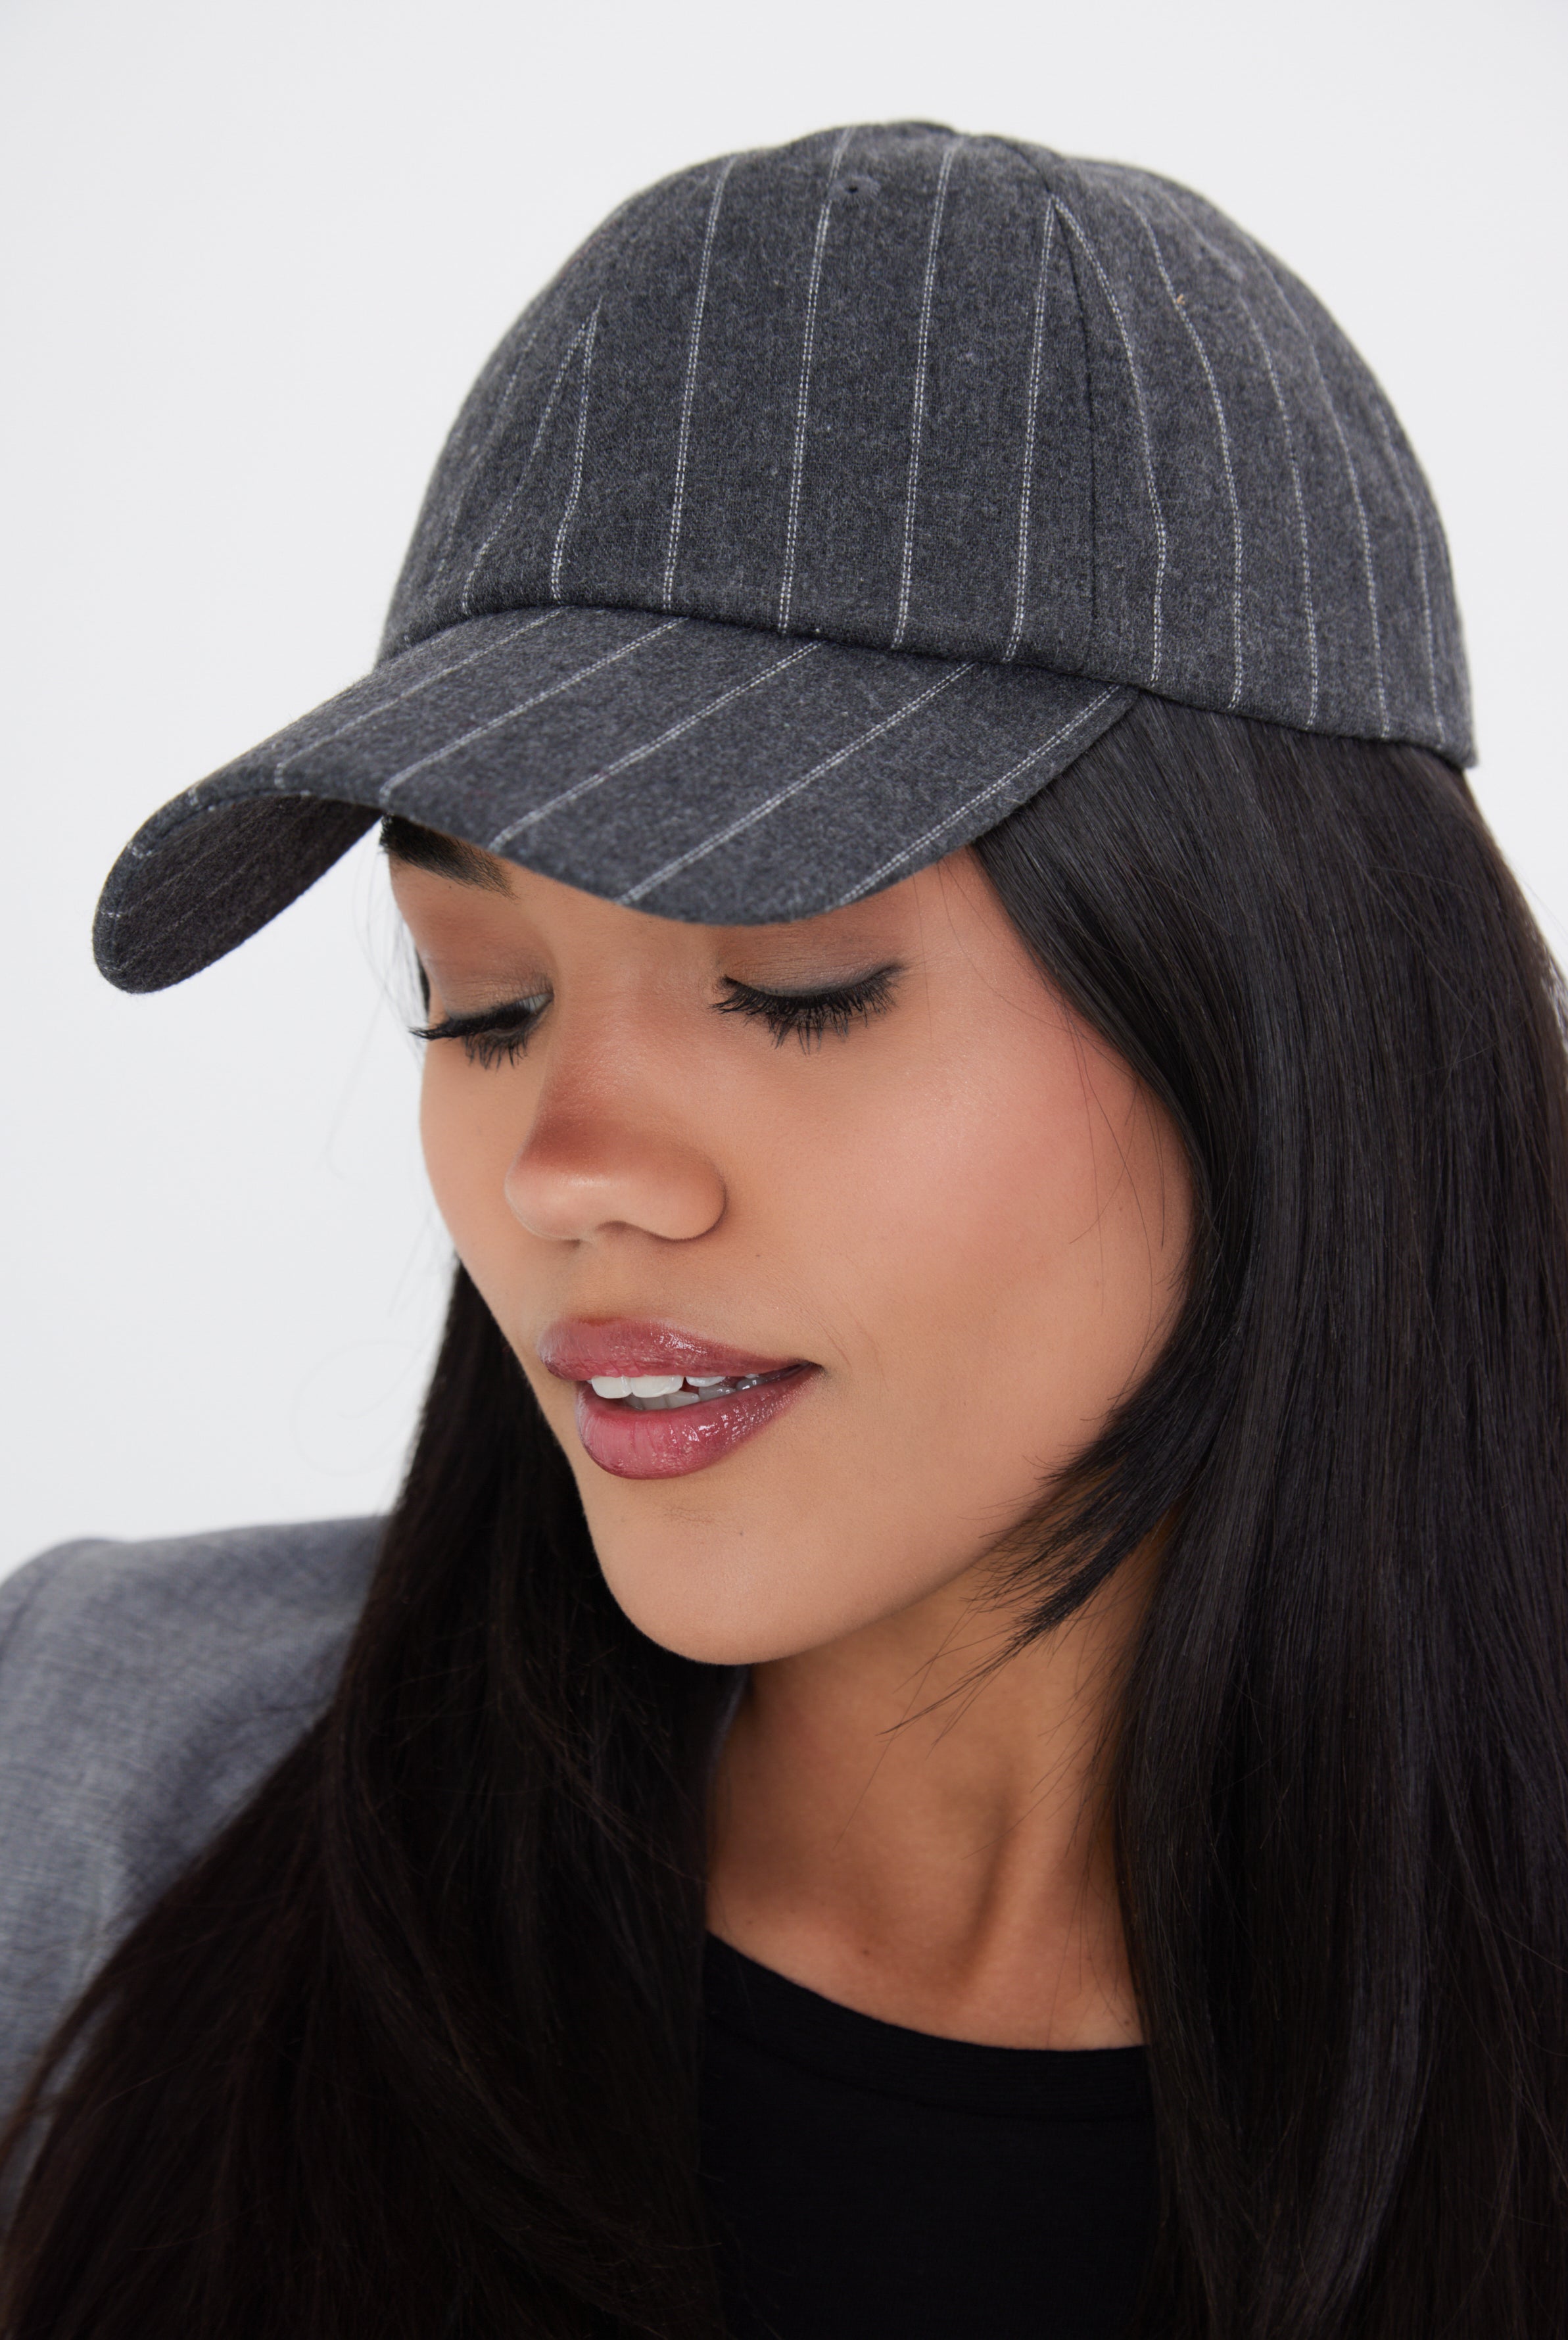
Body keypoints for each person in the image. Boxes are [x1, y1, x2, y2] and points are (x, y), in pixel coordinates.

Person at [0, 120, 1563, 2340]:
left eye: (793, 984)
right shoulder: (92, 1784)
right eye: (484, 1002)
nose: (569, 1165)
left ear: (1292, 1009)